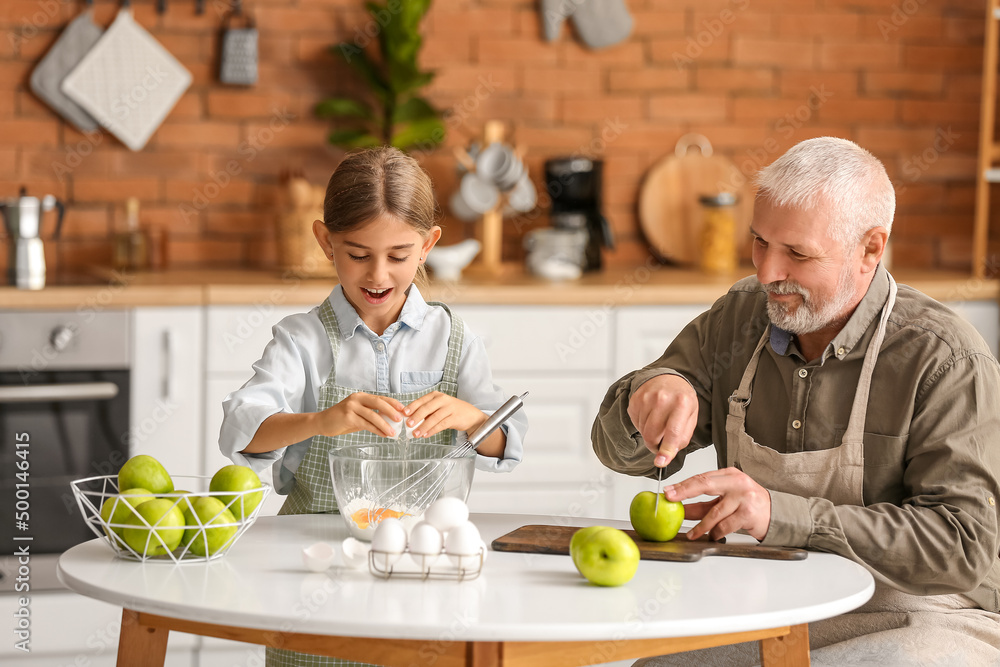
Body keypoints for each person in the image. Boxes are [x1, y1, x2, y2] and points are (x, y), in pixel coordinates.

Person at [592, 137, 1000, 666]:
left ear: (871, 249)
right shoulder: (740, 316)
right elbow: (616, 452)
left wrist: (779, 514)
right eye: (760, 242)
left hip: (923, 613)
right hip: (769, 599)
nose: (766, 273)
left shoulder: (945, 358)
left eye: (798, 254)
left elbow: (963, 545)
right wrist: (643, 399)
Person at [219, 146, 527, 667]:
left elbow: (509, 440)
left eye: (398, 255)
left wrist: (471, 419)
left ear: (428, 245)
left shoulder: (454, 338)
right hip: (316, 569)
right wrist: (321, 420)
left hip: (422, 567)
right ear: (325, 241)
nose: (377, 274)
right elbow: (241, 431)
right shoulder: (302, 339)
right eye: (358, 254)